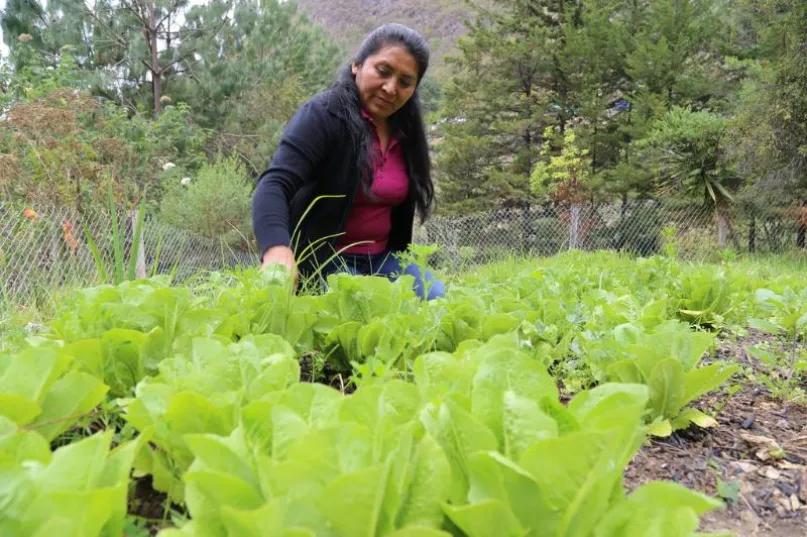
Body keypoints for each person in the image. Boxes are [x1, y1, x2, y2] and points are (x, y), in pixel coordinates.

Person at [251, 23, 445, 301]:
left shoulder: (407, 131)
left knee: (437, 299)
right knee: (364, 310)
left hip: (383, 259)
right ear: (357, 65)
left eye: (405, 82)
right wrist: (276, 249)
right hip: (326, 259)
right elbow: (274, 184)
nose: (391, 88)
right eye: (383, 71)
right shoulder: (323, 115)